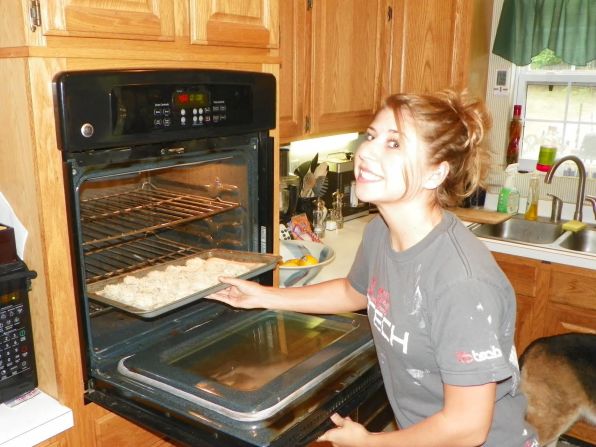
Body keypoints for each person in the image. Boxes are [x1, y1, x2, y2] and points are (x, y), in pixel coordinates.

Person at [209, 90, 539, 447]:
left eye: (394, 144)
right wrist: (264, 297)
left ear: (435, 173)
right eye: (371, 136)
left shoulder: (460, 281)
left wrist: (370, 443)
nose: (366, 152)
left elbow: (467, 427)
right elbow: (354, 292)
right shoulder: (380, 231)